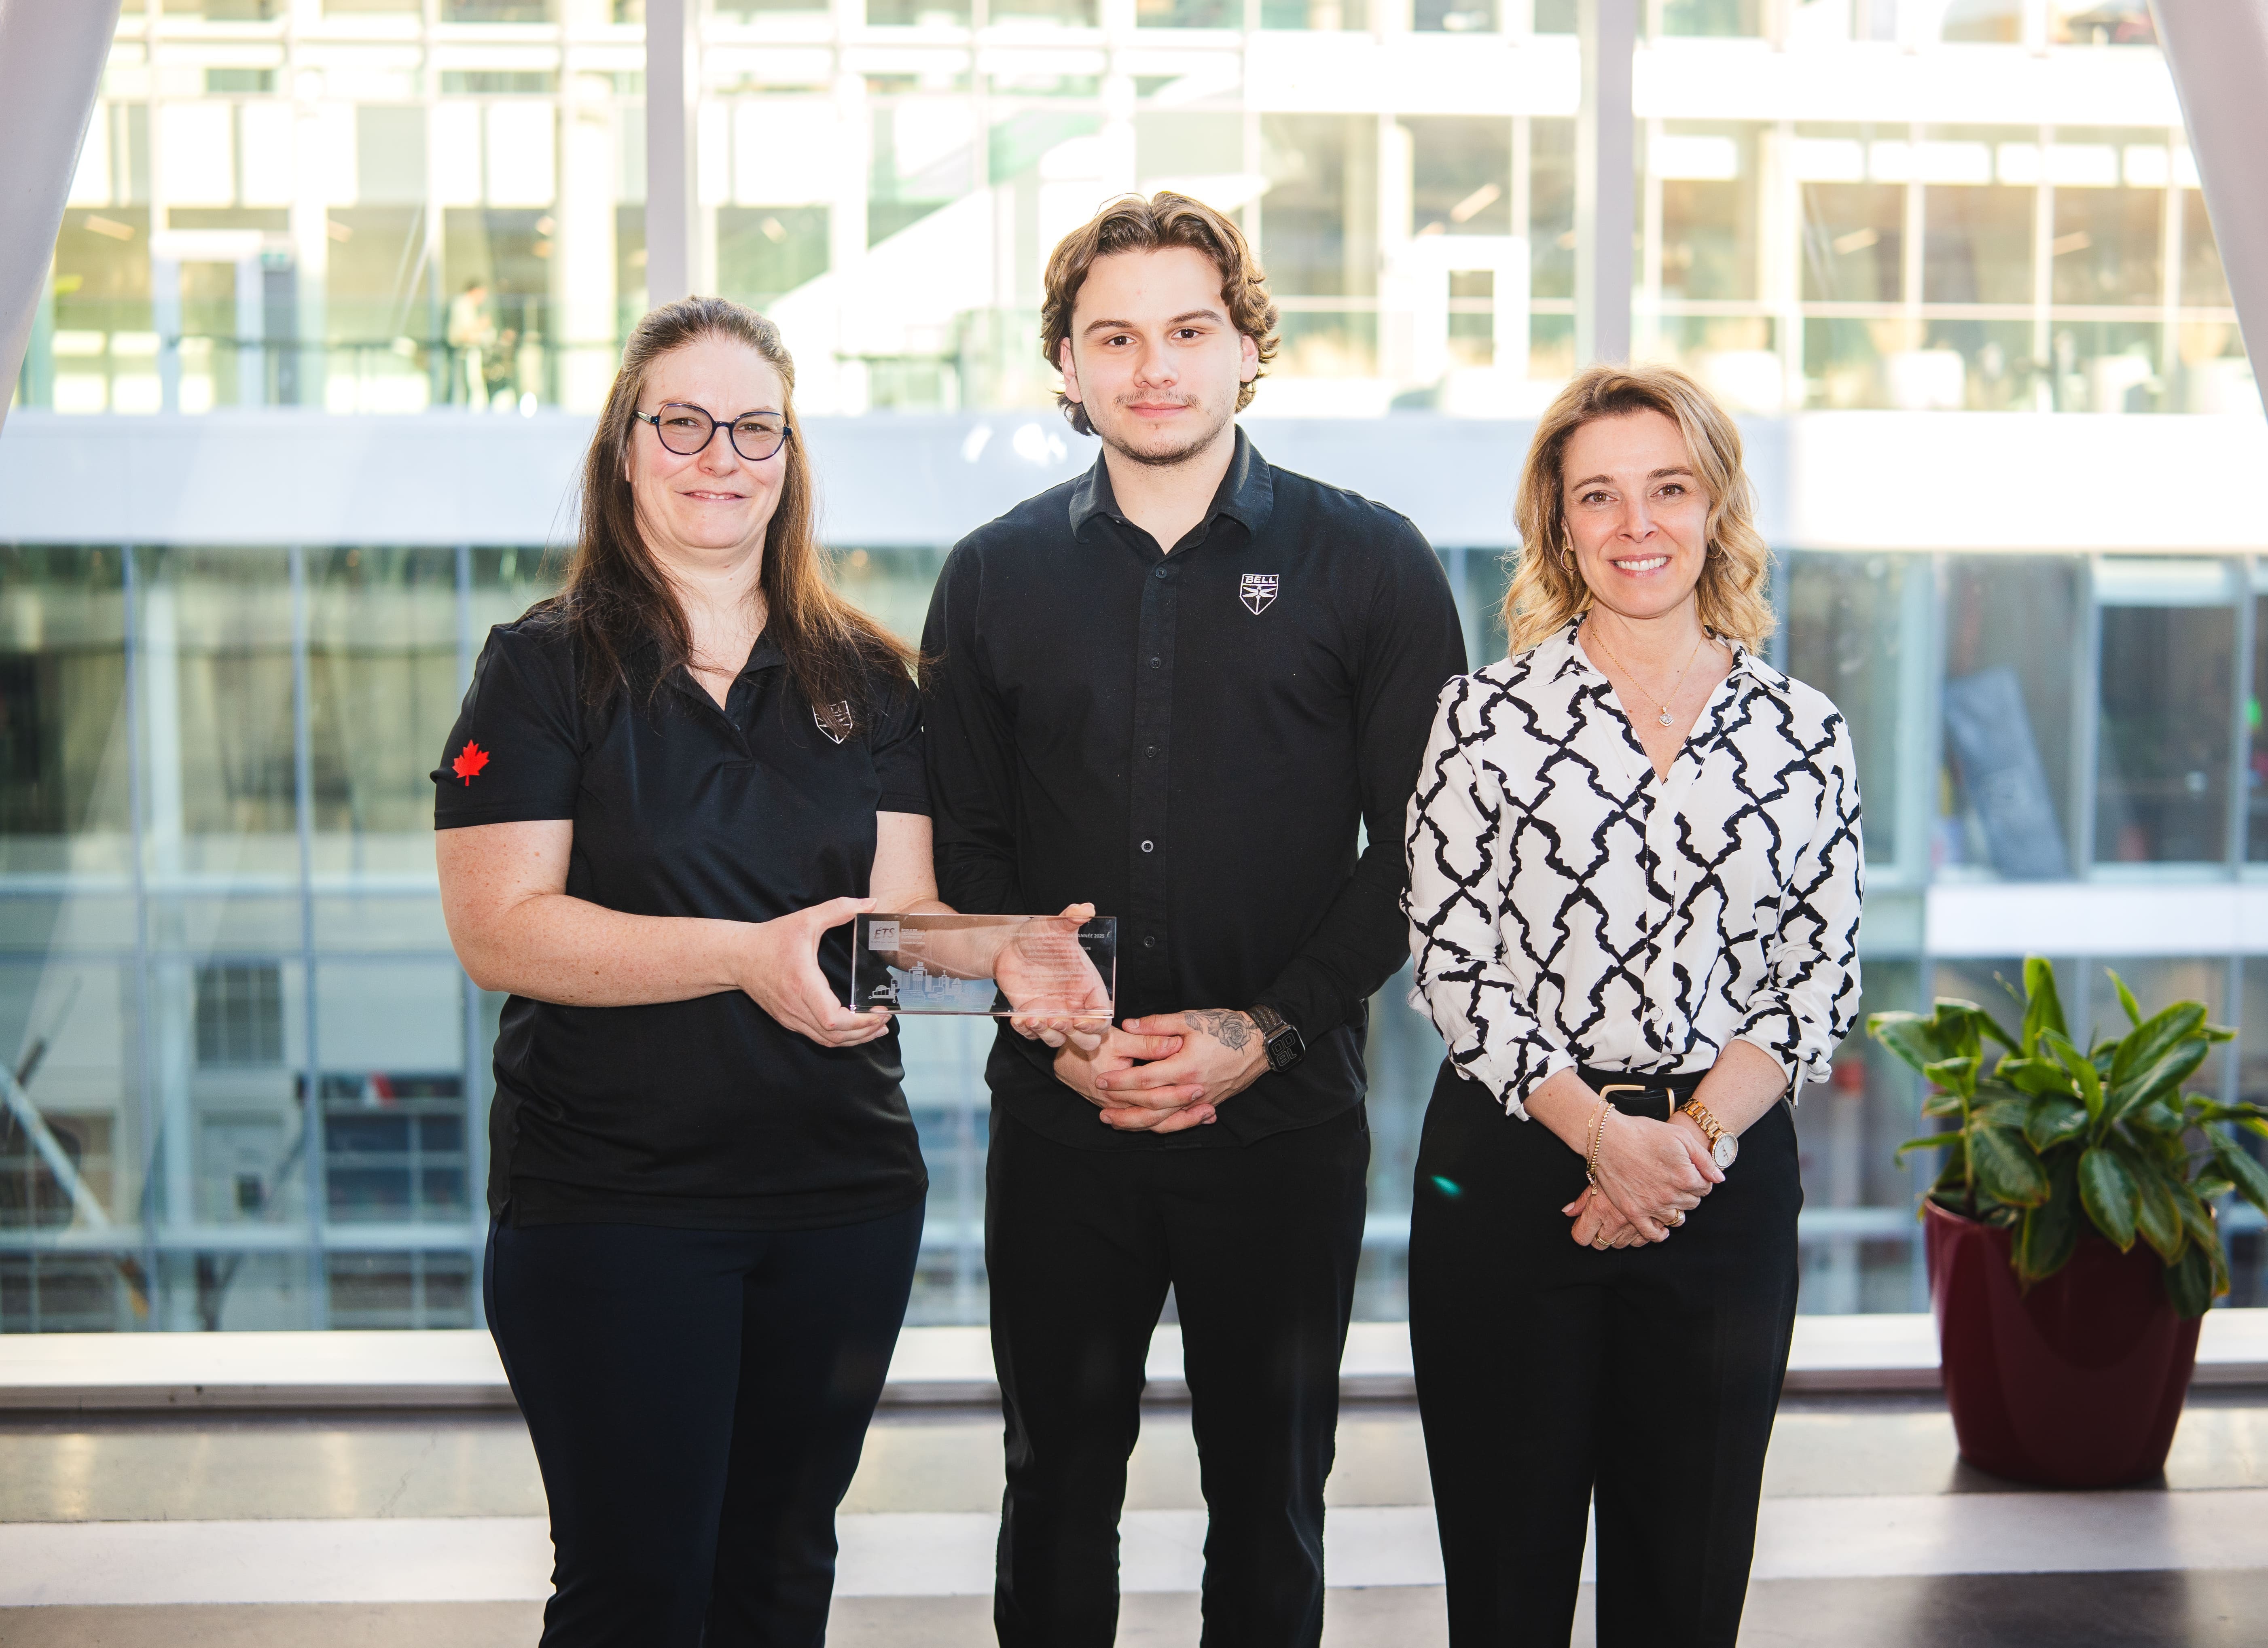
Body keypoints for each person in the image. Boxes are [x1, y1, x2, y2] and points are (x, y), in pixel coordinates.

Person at [431, 295, 1081, 1646]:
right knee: (635, 1593)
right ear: (627, 446)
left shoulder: (868, 676)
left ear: (789, 458)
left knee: (782, 1577)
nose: (719, 457)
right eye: (683, 423)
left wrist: (1014, 958)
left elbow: (898, 927)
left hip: (839, 1207)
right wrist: (743, 958)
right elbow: (500, 928)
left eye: (754, 429)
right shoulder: (543, 670)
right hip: (612, 1205)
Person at [920, 193, 1468, 1648]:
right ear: (1069, 363)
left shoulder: (1375, 563)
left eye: (1186, 329)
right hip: (1060, 1124)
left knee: (1274, 1501)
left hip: (1283, 1133)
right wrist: (1051, 1025)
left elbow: (1425, 852)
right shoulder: (990, 577)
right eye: (1115, 335)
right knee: (1052, 1495)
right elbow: (963, 857)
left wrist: (1262, 1029)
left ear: (1245, 347)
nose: (1152, 364)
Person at [1402, 362, 1864, 1647]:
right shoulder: (1482, 720)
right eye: (1597, 496)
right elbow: (1452, 956)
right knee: (1506, 1581)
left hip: (1721, 1187)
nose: (1636, 524)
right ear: (1557, 524)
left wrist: (1687, 1143)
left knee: (1689, 1582)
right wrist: (1607, 1136)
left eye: (1668, 488)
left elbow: (1816, 974)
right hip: (1512, 1177)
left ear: (1716, 506)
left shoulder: (1804, 732)